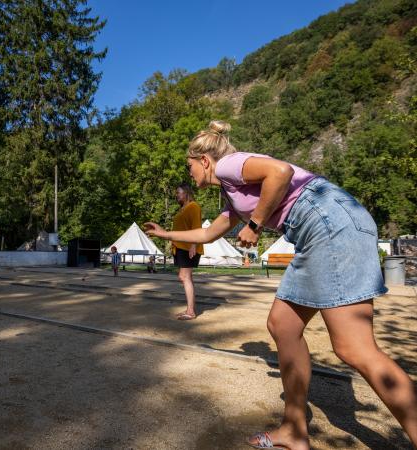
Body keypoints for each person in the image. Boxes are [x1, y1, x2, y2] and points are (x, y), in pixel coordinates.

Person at [145, 120, 417, 449]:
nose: (189, 174)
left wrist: (257, 224)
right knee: (283, 324)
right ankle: (294, 429)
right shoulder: (232, 195)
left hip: (326, 223)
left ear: (204, 160)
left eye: (189, 166)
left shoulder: (230, 165)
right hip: (335, 222)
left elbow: (281, 171)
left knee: (354, 348)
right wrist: (164, 234)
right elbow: (207, 234)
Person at [172, 183, 204, 321]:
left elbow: (196, 226)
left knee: (184, 277)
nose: (177, 195)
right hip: (180, 247)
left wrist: (193, 245)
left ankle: (191, 311)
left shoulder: (193, 206)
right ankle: (189, 308)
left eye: (179, 192)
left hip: (189, 247)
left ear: (186, 193)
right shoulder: (181, 209)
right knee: (185, 277)